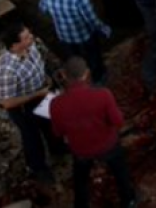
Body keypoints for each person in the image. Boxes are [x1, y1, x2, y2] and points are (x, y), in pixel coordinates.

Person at [49, 57, 137, 208]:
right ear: (86, 73)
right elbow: (118, 121)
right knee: (120, 172)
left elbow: (58, 132)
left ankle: (81, 204)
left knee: (81, 180)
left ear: (63, 75)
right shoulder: (103, 94)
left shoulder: (55, 104)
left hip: (81, 150)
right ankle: (128, 200)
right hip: (108, 144)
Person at [0, 23, 62, 184]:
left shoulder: (32, 46)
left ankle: (58, 148)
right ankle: (38, 168)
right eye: (27, 37)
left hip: (41, 93)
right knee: (32, 137)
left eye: (29, 34)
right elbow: (8, 103)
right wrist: (37, 94)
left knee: (49, 123)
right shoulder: (5, 71)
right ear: (14, 45)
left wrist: (47, 80)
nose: (32, 37)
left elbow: (41, 65)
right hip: (22, 107)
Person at [39, 0, 111, 82]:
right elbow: (90, 17)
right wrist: (102, 28)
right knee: (93, 57)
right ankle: (98, 77)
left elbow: (43, 9)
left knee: (75, 59)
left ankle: (80, 78)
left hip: (63, 34)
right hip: (83, 34)